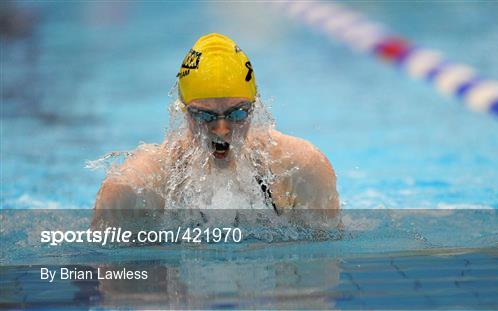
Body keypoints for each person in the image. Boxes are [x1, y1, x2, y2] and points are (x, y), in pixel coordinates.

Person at [94, 33, 339, 214]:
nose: (222, 129)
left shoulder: (301, 171)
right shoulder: (137, 188)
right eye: (204, 116)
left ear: (255, 108)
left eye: (237, 114)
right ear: (183, 111)